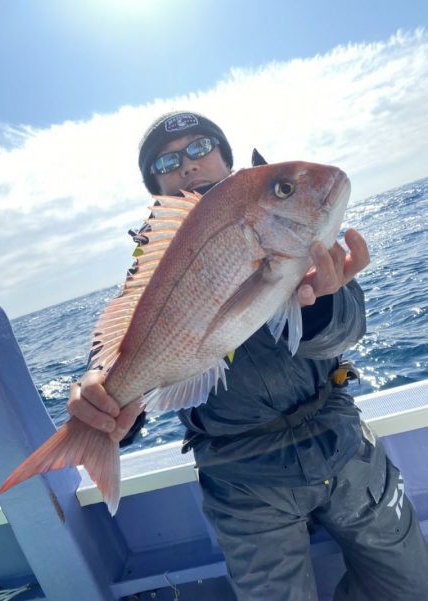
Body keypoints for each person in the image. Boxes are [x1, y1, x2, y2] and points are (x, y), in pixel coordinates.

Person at [67, 111, 428, 600]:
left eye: (199, 148)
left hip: (341, 441)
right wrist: (107, 405)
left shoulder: (293, 239)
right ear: (154, 185)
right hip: (240, 477)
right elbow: (117, 356)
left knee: (412, 587)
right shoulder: (146, 274)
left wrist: (322, 302)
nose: (187, 166)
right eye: (167, 162)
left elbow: (349, 330)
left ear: (224, 155)